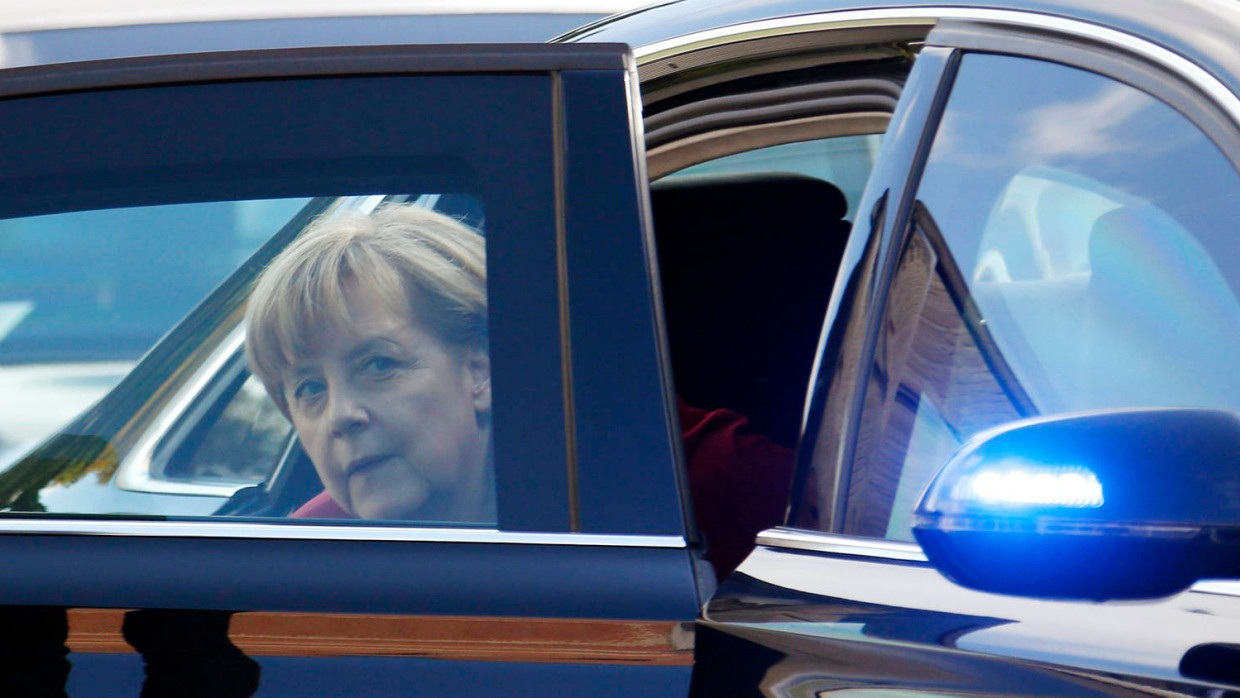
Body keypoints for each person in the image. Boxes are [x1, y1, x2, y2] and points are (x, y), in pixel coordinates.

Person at [244, 204, 493, 523]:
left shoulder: (572, 516)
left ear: (479, 372)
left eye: (379, 365)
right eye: (310, 388)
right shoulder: (295, 560)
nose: (340, 416)